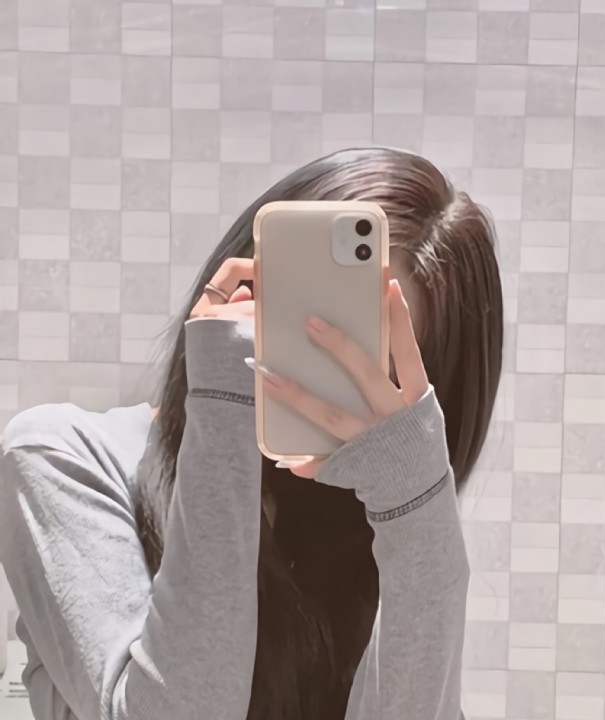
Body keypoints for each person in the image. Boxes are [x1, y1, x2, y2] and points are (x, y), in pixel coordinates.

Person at [0, 148, 503, 720]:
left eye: (368, 362)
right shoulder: (66, 456)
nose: (322, 378)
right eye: (308, 326)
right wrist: (223, 398)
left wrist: (416, 502)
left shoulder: (384, 539)